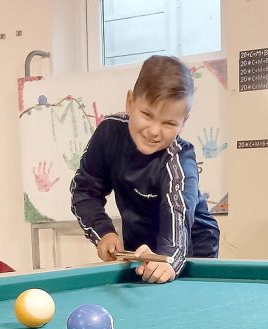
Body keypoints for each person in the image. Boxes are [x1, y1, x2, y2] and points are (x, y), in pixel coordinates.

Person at [70, 55, 220, 284]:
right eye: (147, 115)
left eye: (169, 123)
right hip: (139, 248)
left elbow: (178, 211)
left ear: (183, 121)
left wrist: (169, 255)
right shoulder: (109, 134)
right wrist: (104, 232)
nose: (154, 131)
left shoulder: (180, 158)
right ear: (130, 102)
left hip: (192, 251)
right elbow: (85, 190)